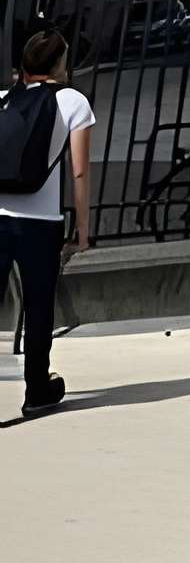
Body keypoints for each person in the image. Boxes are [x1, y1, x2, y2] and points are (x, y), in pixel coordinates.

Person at [0, 29, 93, 417]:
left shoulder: (5, 98)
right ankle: (37, 389)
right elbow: (80, 173)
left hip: (0, 216)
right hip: (41, 224)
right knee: (39, 307)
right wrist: (82, 232)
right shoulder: (72, 102)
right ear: (58, 63)